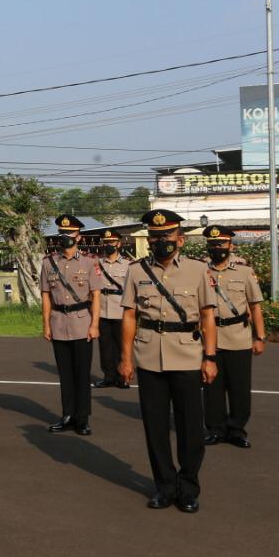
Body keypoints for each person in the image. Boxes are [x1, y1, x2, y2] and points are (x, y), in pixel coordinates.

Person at [119, 209, 218, 514]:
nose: (161, 240)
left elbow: (207, 316)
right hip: (149, 357)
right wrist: (125, 359)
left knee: (190, 428)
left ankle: (188, 488)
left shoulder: (198, 270)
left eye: (166, 235)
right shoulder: (136, 271)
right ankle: (163, 486)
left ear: (180, 239)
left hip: (187, 356)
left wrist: (210, 357)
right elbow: (129, 316)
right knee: (155, 428)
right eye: (155, 236)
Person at [202, 225, 266, 449]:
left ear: (230, 245)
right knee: (212, 387)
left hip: (239, 337)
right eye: (212, 244)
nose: (216, 248)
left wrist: (260, 337)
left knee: (239, 387)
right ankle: (215, 429)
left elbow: (255, 306)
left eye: (221, 244)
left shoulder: (244, 272)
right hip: (210, 338)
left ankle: (237, 429)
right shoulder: (201, 271)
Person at [41, 215, 100, 435]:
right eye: (62, 234)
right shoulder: (48, 262)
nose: (65, 238)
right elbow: (45, 295)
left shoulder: (89, 261)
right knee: (65, 374)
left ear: (79, 237)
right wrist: (46, 324)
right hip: (58, 322)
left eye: (70, 234)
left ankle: (82, 418)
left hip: (82, 322)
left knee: (82, 374)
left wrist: (95, 324)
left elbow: (96, 295)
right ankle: (67, 415)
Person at [92, 229, 131, 389]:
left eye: (112, 242)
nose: (109, 245)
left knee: (122, 345)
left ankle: (123, 377)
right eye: (106, 242)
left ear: (119, 244)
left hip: (120, 309)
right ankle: (108, 376)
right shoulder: (96, 264)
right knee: (105, 346)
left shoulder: (129, 265)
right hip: (102, 309)